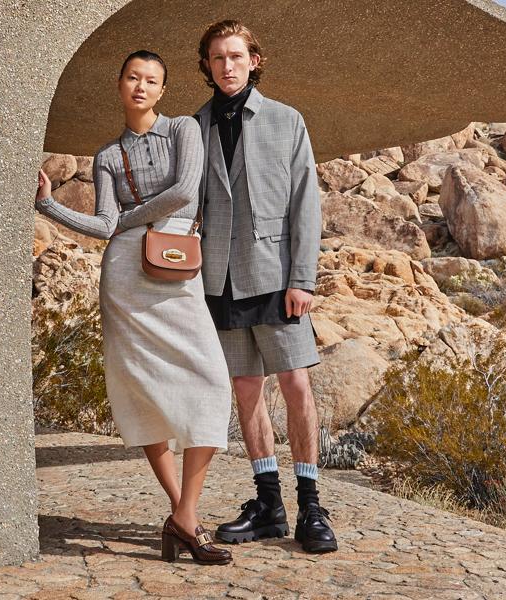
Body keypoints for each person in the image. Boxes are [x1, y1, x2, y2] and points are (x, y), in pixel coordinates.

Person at [34, 50, 232, 566]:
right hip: (125, 274)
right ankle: (184, 516)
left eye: (152, 81)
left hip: (175, 262)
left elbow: (185, 192)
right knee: (142, 389)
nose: (141, 87)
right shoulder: (104, 157)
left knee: (211, 379)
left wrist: (128, 221)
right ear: (119, 85)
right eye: (133, 78)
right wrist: (47, 205)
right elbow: (102, 226)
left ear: (163, 90)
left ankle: (184, 515)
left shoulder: (185, 129)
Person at [192, 20, 338, 553]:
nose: (227, 66)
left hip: (278, 281)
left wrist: (303, 279)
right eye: (216, 58)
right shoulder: (196, 126)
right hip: (219, 282)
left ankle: (311, 505)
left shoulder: (286, 120)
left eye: (236, 56)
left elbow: (307, 203)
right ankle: (268, 503)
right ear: (206, 66)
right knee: (246, 390)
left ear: (254, 59)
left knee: (296, 387)